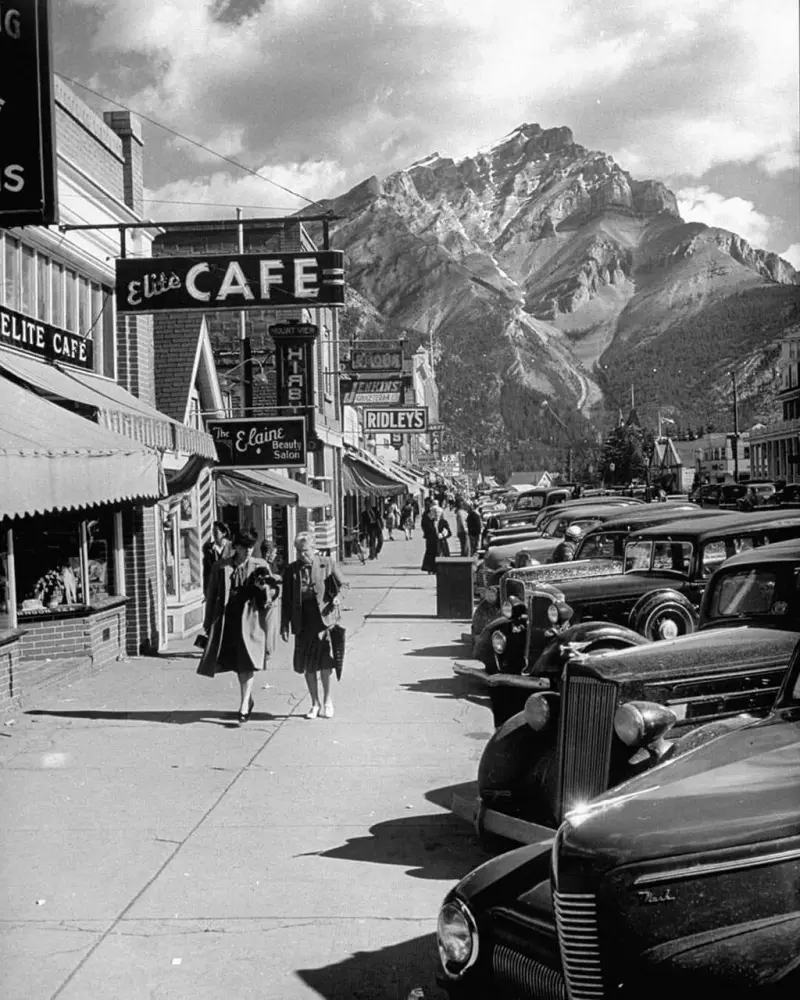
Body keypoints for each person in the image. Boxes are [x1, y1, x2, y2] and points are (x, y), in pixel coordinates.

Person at [197, 526, 281, 723]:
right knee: (237, 663)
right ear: (236, 547)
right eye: (245, 547)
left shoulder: (260, 565)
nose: (249, 551)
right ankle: (247, 698)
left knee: (247, 662)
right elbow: (212, 596)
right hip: (229, 621)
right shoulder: (221, 567)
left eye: (251, 547)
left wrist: (263, 589)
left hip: (251, 621)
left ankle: (243, 705)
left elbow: (272, 594)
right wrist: (208, 622)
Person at [281, 533, 347, 719]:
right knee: (308, 665)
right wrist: (284, 624)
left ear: (313, 548)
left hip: (324, 620)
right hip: (303, 621)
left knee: (325, 662)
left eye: (305, 551)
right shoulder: (291, 570)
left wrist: (337, 597)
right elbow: (286, 600)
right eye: (298, 551)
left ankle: (327, 700)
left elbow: (344, 584)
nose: (301, 555)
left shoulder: (327, 563)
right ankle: (314, 703)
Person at [202, 521, 232, 594]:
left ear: (224, 533)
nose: (214, 535)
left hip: (228, 586)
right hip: (213, 588)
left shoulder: (231, 547)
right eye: (213, 532)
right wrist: (206, 590)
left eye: (216, 532)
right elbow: (206, 571)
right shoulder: (208, 548)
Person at [420, 498, 438, 574]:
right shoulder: (427, 513)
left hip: (434, 534)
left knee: (434, 551)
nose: (426, 505)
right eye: (425, 504)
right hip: (430, 535)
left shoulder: (432, 511)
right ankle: (430, 568)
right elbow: (424, 524)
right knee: (430, 551)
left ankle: (433, 568)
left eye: (428, 504)